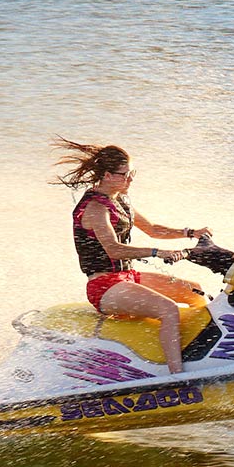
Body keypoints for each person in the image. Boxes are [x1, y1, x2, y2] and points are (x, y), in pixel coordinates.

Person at [53, 138, 210, 374]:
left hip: (127, 277)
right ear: (107, 175)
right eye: (125, 174)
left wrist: (190, 233)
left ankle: (201, 354)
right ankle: (177, 376)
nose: (130, 179)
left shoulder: (121, 201)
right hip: (104, 286)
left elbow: (154, 229)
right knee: (168, 309)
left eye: (132, 172)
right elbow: (114, 250)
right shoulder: (95, 209)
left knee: (194, 291)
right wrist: (157, 253)